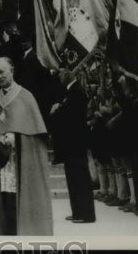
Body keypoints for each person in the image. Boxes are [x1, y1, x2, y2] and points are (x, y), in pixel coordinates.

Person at [0, 57, 53, 235]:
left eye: (2, 71)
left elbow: (34, 134)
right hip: (4, 166)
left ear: (12, 70)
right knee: (6, 207)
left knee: (18, 205)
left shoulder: (26, 97)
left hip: (22, 163)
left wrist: (15, 137)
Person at [49, 68, 96, 223]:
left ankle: (86, 214)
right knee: (73, 179)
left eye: (61, 73)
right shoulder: (70, 91)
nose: (59, 76)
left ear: (70, 74)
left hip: (76, 143)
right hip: (71, 144)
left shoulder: (77, 92)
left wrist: (58, 110)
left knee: (80, 178)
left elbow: (71, 117)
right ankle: (77, 211)